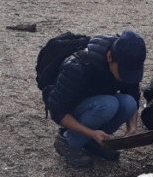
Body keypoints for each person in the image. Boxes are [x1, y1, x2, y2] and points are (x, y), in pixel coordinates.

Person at [44, 31, 147, 168]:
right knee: (108, 105)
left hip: (97, 107)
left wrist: (132, 127)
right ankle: (67, 141)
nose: (127, 77)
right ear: (109, 57)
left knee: (129, 103)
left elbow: (133, 97)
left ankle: (93, 141)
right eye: (124, 71)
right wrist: (91, 132)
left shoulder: (128, 62)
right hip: (75, 111)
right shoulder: (77, 66)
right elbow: (57, 111)